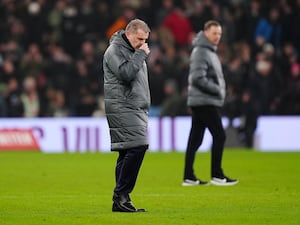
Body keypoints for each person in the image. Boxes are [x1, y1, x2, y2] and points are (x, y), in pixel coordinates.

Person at [182, 20, 238, 186]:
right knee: (219, 135)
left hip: (202, 100)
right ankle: (217, 174)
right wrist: (218, 89)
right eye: (214, 33)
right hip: (204, 100)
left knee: (195, 139)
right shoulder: (201, 51)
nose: (217, 37)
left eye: (219, 34)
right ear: (205, 33)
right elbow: (197, 78)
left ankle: (188, 176)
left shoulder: (208, 51)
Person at [103, 19, 151, 212]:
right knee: (139, 146)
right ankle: (120, 194)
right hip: (122, 106)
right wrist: (140, 54)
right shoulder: (114, 50)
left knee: (127, 151)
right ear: (129, 33)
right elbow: (126, 74)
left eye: (145, 40)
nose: (143, 43)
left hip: (134, 107)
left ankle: (122, 200)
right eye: (139, 39)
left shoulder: (132, 51)